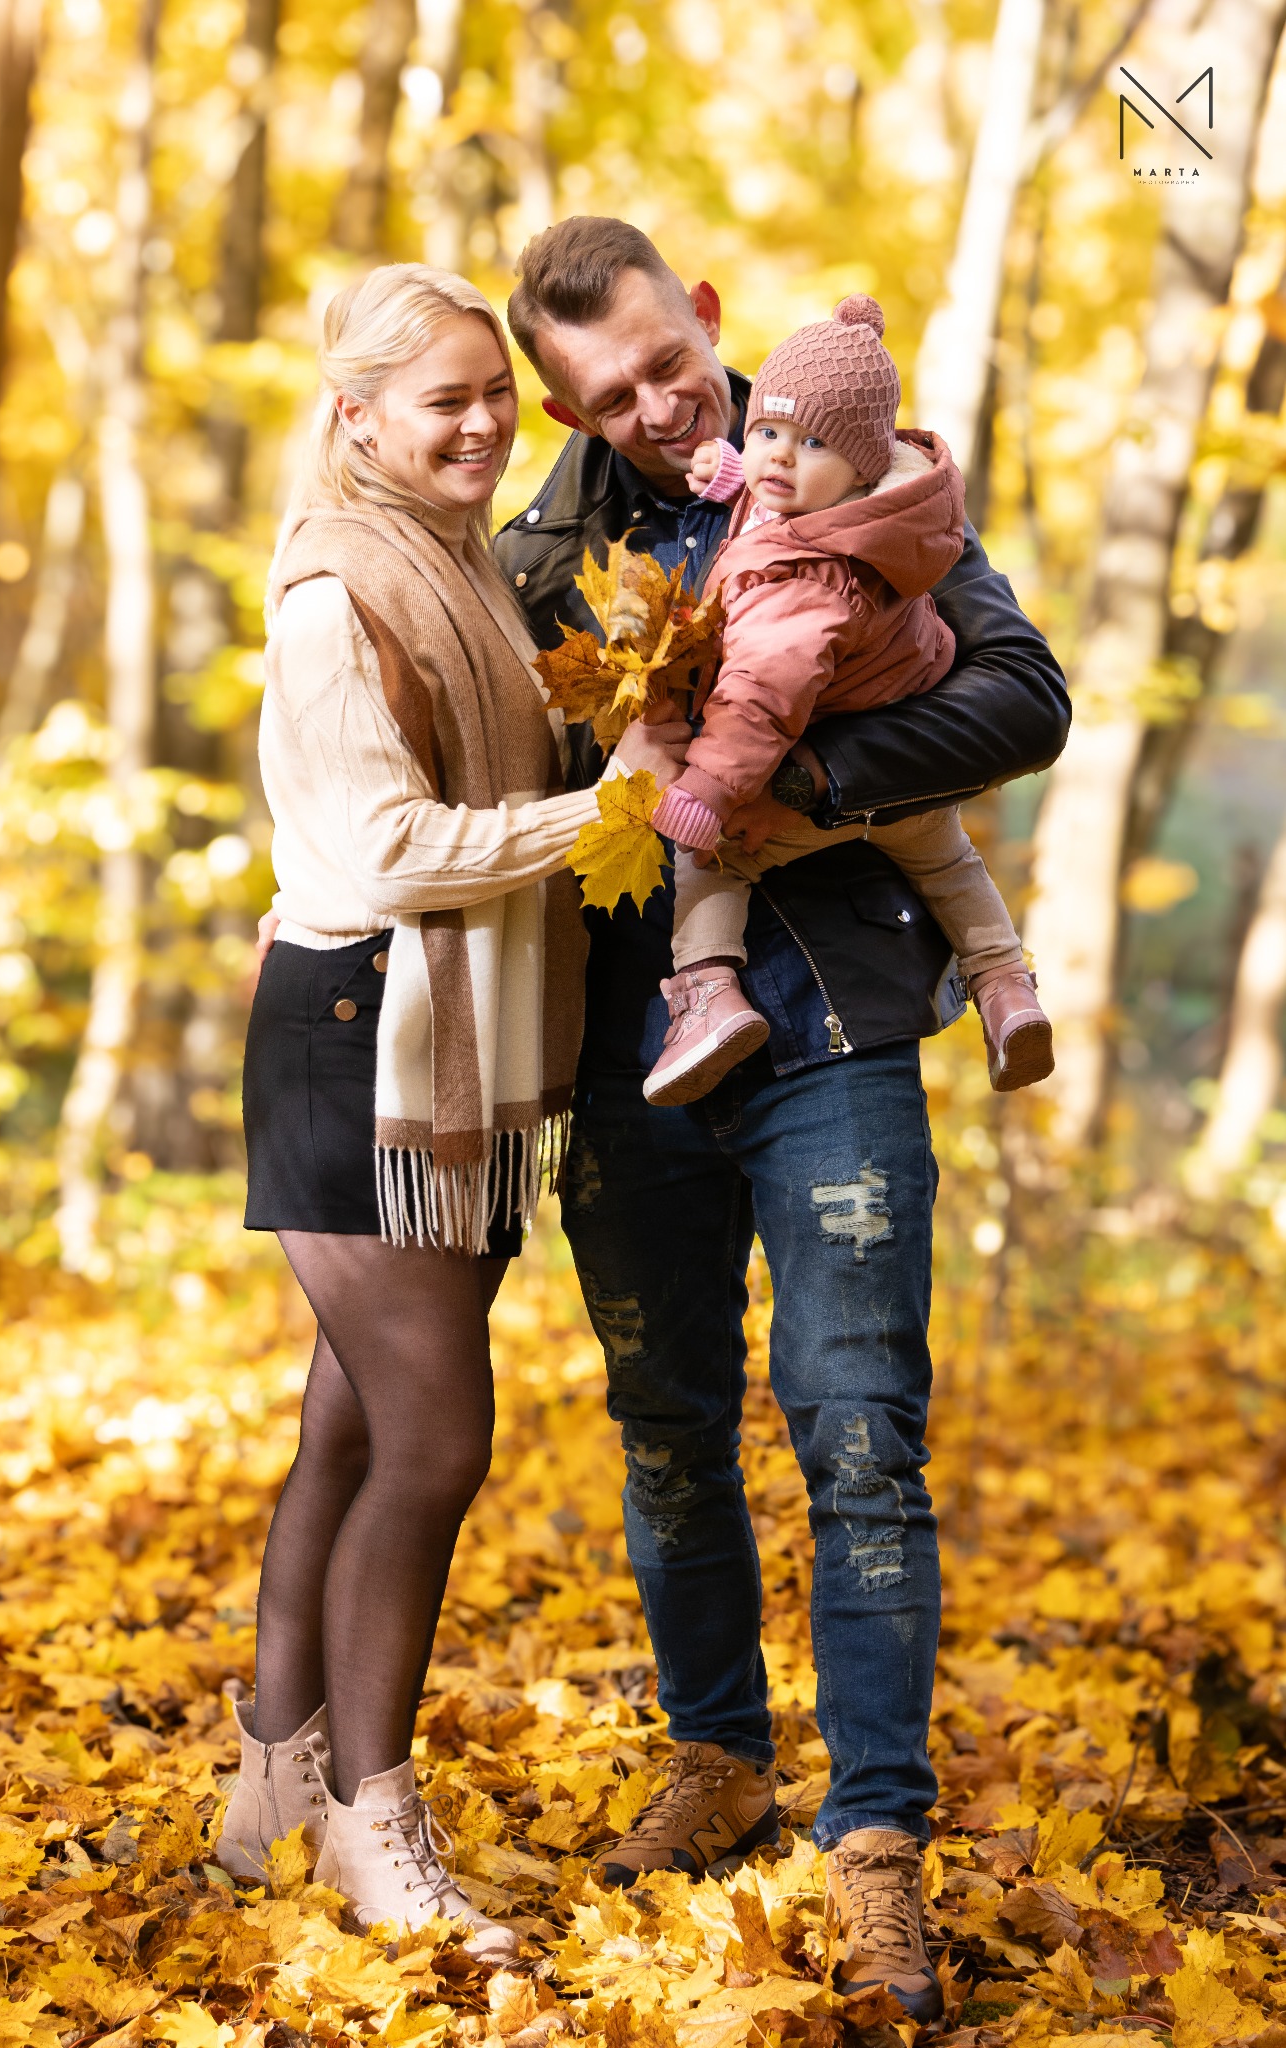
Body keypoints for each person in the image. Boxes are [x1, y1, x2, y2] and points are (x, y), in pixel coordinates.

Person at [497, 217, 1070, 2025]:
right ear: (553, 401)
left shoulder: (853, 463)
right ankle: (720, 1755)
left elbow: (1020, 692)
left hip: (831, 1023)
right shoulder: (536, 555)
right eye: (609, 393)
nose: (659, 409)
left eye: (670, 362)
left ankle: (875, 1835)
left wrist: (800, 782)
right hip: (629, 1051)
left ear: (708, 321)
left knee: (856, 1430)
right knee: (664, 1421)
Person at [219, 261, 682, 1955]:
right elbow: (382, 848)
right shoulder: (333, 591)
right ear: (355, 421)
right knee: (434, 1435)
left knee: (350, 1423)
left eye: (496, 394)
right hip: (360, 1037)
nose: (485, 423)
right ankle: (371, 1818)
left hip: (452, 1041)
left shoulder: (463, 558)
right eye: (444, 402)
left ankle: (271, 1777)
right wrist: (598, 817)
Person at [642, 295, 1053, 1108]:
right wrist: (731, 474)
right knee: (949, 863)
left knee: (711, 860)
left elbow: (761, 694)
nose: (778, 462)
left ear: (861, 465)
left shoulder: (809, 586)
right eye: (764, 435)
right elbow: (769, 503)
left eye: (811, 444)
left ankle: (708, 995)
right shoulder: (872, 510)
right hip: (899, 762)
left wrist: (708, 794)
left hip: (818, 748)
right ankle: (1005, 985)